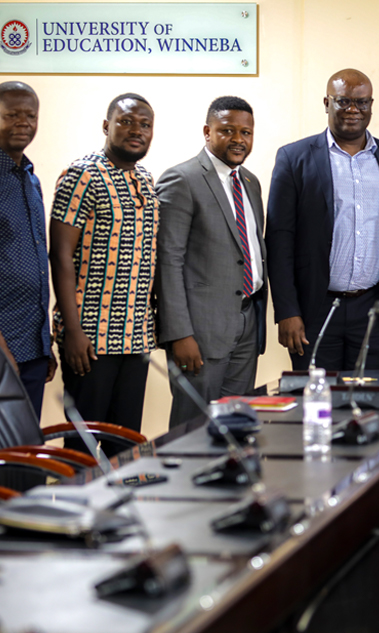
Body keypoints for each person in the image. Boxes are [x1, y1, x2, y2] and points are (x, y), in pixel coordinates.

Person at [266, 69, 379, 372]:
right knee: (316, 406)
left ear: (371, 105)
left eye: (362, 103)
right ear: (327, 102)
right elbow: (279, 240)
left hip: (376, 310)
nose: (353, 110)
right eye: (344, 101)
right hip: (314, 309)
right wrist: (287, 310)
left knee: (372, 405)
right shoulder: (294, 158)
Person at [49, 93, 158, 433]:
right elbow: (61, 255)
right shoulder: (82, 174)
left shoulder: (146, 180)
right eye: (125, 121)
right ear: (106, 126)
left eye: (145, 124)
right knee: (84, 444)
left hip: (135, 336)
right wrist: (74, 330)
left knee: (124, 445)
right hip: (91, 337)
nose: (135, 130)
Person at [156, 96, 267, 427]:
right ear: (207, 131)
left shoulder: (250, 182)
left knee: (235, 425)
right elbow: (168, 261)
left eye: (245, 132)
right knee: (193, 428)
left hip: (247, 322)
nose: (238, 139)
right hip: (200, 332)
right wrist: (179, 334)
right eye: (227, 130)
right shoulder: (182, 179)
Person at [0, 81, 56, 417]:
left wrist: (44, 344)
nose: (23, 122)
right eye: (11, 115)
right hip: (5, 347)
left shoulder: (30, 177)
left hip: (32, 345)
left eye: (30, 115)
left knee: (26, 452)